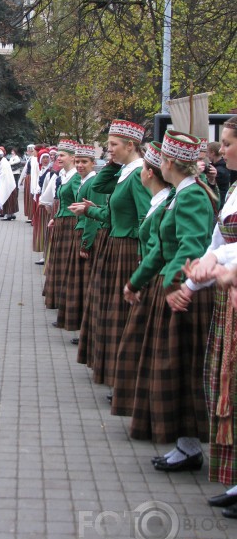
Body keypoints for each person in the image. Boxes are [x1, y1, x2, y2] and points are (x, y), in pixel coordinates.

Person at [123, 130, 216, 471]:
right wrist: (136, 282)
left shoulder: (192, 196)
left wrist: (178, 285)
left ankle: (190, 447)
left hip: (187, 293)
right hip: (176, 287)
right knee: (174, 368)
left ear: (170, 163)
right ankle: (185, 444)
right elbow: (164, 248)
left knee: (183, 369)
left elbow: (192, 246)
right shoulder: (182, 193)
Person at [180, 117, 237, 513]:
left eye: (229, 143)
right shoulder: (234, 189)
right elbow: (219, 240)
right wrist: (195, 278)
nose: (224, 150)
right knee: (225, 389)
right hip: (227, 298)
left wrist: (221, 263)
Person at [72, 120, 150, 388]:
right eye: (108, 146)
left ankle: (122, 376)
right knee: (110, 310)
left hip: (127, 249)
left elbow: (145, 220)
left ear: (131, 145)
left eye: (113, 145)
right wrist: (115, 163)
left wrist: (142, 259)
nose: (109, 151)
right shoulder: (127, 170)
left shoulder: (139, 174)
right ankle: (113, 372)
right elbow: (103, 188)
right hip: (117, 245)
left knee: (119, 313)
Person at [111, 142, 171, 415]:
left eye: (114, 144)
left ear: (148, 173)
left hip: (159, 276)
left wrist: (140, 273)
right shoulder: (164, 199)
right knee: (138, 342)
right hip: (151, 272)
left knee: (141, 343)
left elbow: (162, 244)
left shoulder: (175, 199)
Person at [55, 144, 103, 337]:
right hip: (80, 229)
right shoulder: (84, 181)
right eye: (78, 161)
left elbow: (92, 215)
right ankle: (81, 326)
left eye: (84, 162)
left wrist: (86, 242)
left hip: (86, 232)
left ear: (93, 163)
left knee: (84, 283)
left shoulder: (93, 183)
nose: (80, 165)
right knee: (80, 282)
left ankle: (85, 327)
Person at [42, 140, 80, 310]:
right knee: (57, 261)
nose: (58, 158)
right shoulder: (64, 175)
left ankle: (64, 300)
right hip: (62, 221)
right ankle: (58, 298)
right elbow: (62, 202)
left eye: (62, 155)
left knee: (65, 263)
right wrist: (55, 217)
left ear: (72, 157)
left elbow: (77, 203)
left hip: (71, 223)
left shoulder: (76, 177)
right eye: (58, 155)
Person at [0, 149, 18, 220]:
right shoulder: (3, 161)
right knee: (10, 199)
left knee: (7, 198)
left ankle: (8, 214)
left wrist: (3, 185)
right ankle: (11, 214)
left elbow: (4, 175)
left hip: (7, 184)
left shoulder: (3, 163)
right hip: (9, 184)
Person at [208, 141, 231, 206]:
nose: (207, 155)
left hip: (220, 202)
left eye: (207, 152)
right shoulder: (220, 166)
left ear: (212, 153)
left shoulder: (220, 171)